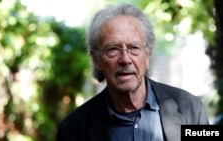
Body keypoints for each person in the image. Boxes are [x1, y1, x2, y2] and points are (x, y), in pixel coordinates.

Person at [56, 3, 209, 141]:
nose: (125, 59)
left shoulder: (191, 109)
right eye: (113, 49)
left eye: (134, 48)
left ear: (147, 54)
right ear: (96, 59)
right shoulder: (72, 131)